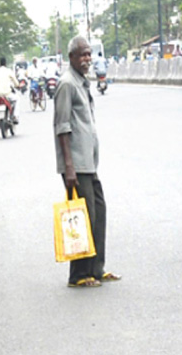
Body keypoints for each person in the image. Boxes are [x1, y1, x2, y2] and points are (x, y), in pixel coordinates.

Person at [54, 36, 120, 288]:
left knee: (98, 212)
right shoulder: (66, 84)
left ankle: (96, 268)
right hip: (76, 164)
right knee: (82, 218)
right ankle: (79, 274)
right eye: (82, 55)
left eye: (89, 54)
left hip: (88, 163)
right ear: (71, 57)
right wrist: (69, 166)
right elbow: (62, 127)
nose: (87, 59)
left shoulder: (82, 83)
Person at [0, 56, 19, 123]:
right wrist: (17, 85)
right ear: (5, 63)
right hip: (7, 94)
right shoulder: (8, 71)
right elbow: (16, 83)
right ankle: (15, 116)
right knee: (17, 99)